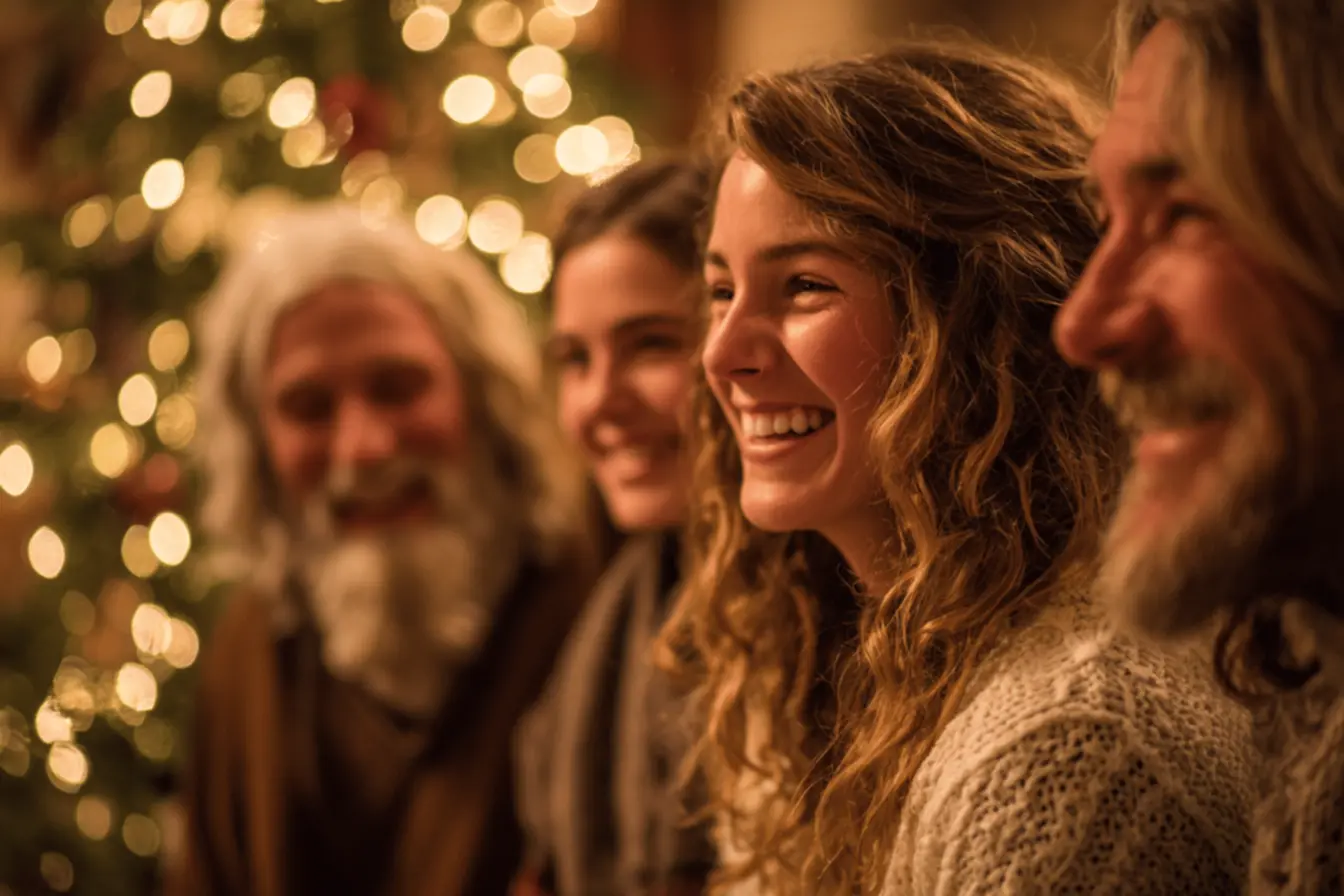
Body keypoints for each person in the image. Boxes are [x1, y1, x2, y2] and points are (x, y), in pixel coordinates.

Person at [660, 37, 1257, 896]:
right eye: (722, 292)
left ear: (979, 324)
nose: (725, 353)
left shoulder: (1069, 745)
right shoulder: (816, 658)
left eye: (803, 288)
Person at [170, 201, 595, 896]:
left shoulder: (592, 600)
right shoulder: (249, 653)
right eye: (308, 407)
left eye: (399, 388)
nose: (365, 450)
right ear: (259, 445)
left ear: (482, 397)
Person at [1051, 2, 1344, 891]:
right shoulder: (1306, 696)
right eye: (1109, 218)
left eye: (1185, 213)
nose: (1083, 324)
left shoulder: (1080, 744)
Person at [512, 159, 717, 896]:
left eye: (653, 344)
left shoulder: (818, 630)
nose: (600, 402)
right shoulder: (622, 599)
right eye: (575, 359)